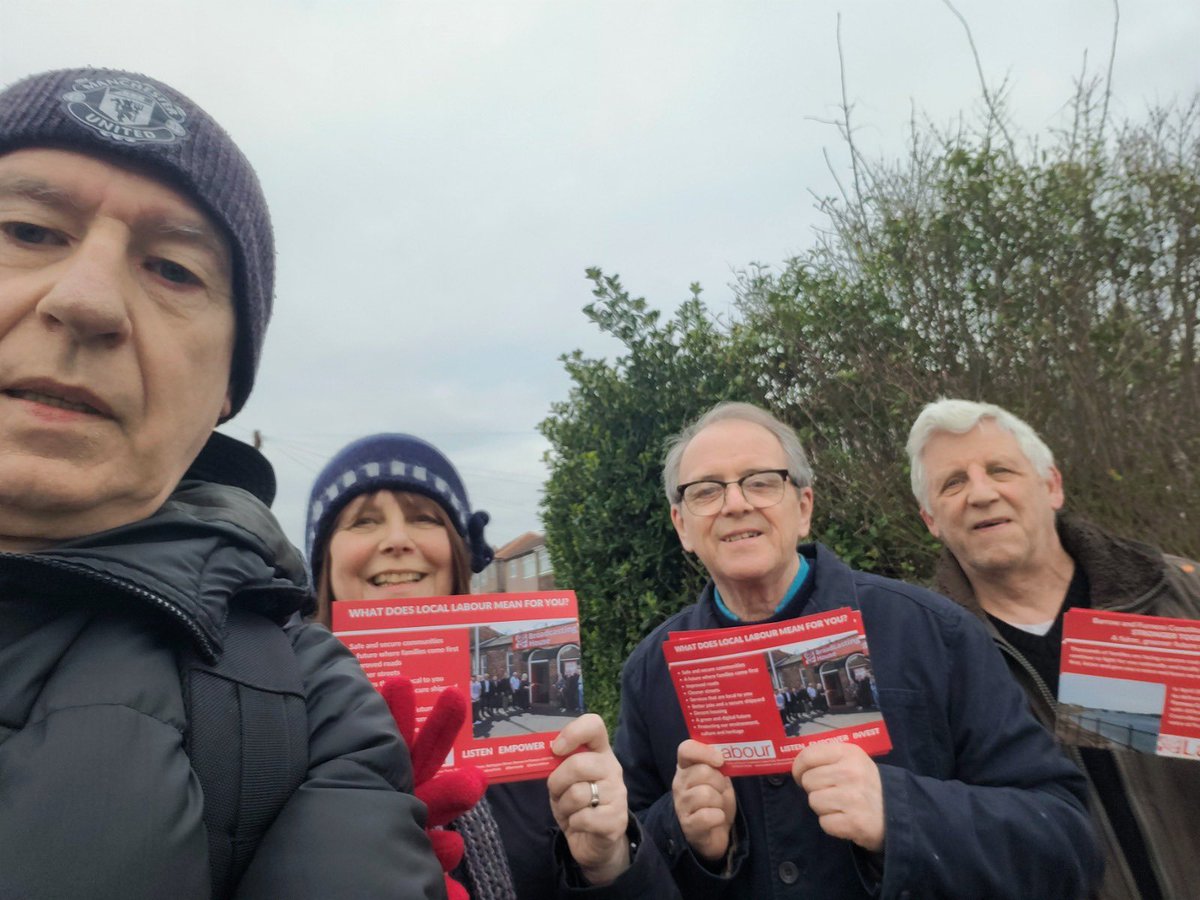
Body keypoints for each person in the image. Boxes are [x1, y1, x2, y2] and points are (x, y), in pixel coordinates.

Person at [0, 68, 443, 898]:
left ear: (227, 394)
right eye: (28, 229)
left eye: (172, 270)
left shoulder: (311, 716)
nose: (88, 299)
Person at [615, 401, 1102, 899]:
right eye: (706, 491)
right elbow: (618, 856)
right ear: (681, 526)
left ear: (803, 507)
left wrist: (898, 812)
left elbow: (1064, 840)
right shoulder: (651, 672)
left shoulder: (934, 632)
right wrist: (681, 832)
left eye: (761, 482)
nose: (736, 504)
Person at [305, 433, 677, 900]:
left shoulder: (538, 748)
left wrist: (609, 864)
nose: (397, 540)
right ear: (325, 560)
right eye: (363, 521)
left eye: (423, 518)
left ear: (457, 555)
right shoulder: (279, 722)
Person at [908, 397, 1200, 900]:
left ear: (1052, 486)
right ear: (931, 519)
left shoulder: (1174, 595)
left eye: (1000, 470)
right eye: (952, 483)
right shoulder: (923, 653)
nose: (980, 493)